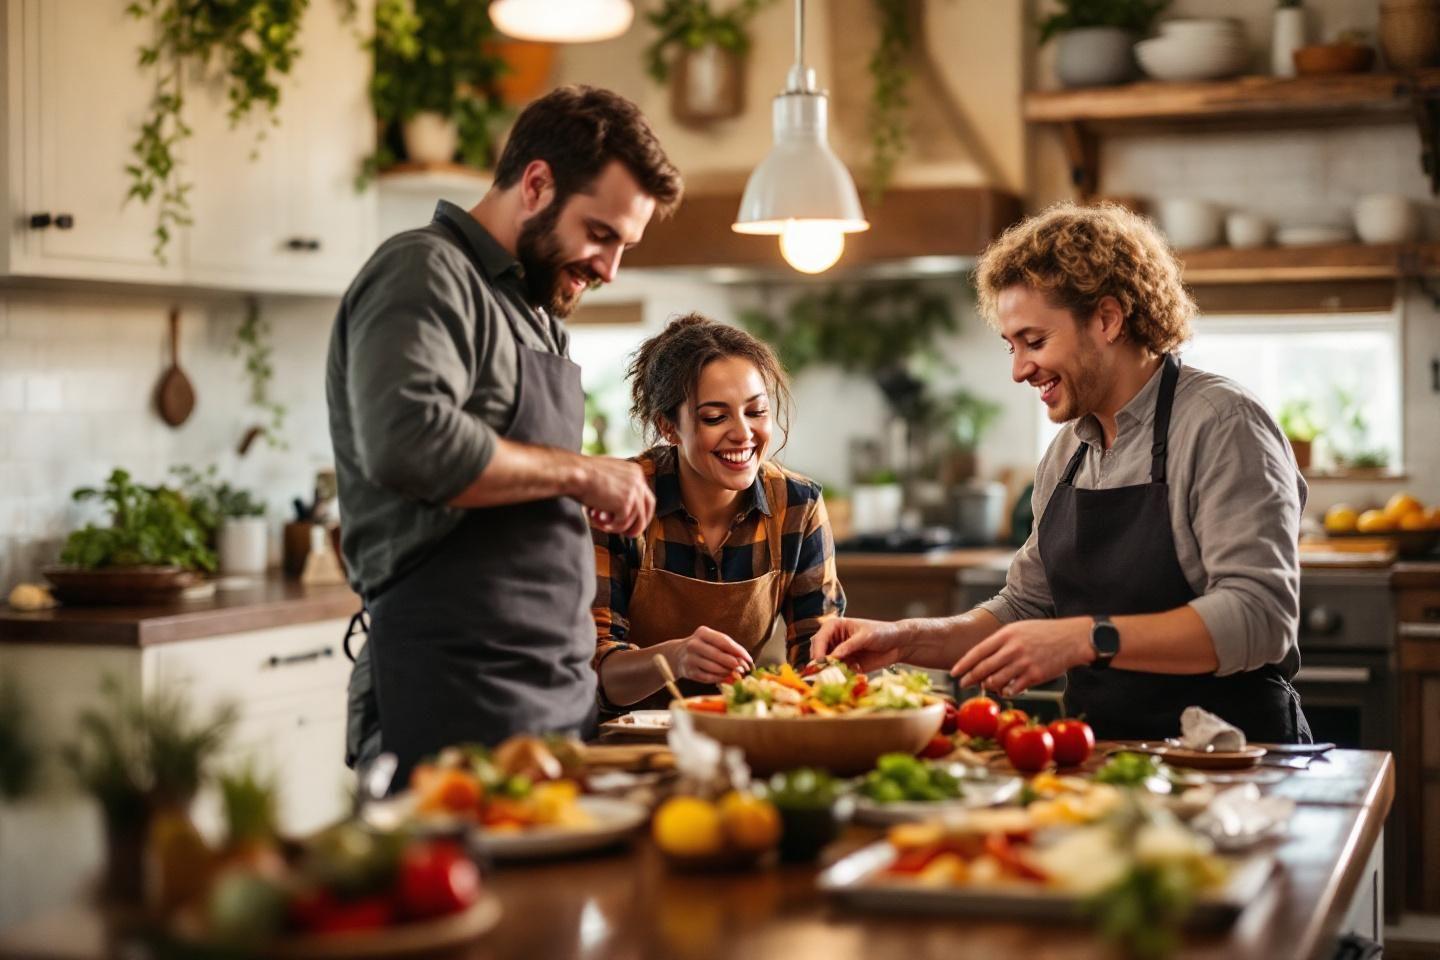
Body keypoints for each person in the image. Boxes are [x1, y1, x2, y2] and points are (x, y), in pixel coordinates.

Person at [812, 202, 1311, 743]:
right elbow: (1026, 606)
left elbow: (1260, 618)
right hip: (1112, 761)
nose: (1019, 369)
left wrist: (1087, 638)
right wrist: (904, 639)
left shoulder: (1221, 423)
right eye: (1012, 346)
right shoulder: (1067, 453)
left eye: (1035, 341)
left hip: (1236, 764)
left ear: (1107, 319)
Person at [327, 86, 683, 780]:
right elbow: (410, 441)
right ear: (537, 183)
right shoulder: (424, 271)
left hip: (551, 686)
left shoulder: (534, 310)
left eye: (625, 246)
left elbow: (511, 467)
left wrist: (579, 483)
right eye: (601, 233)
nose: (609, 268)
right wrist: (580, 474)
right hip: (451, 685)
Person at [591, 315, 846, 711]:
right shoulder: (619, 502)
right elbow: (594, 672)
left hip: (743, 730)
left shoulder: (797, 505)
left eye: (756, 412)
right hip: (623, 737)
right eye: (715, 417)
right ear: (669, 427)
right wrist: (674, 659)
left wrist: (819, 683)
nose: (743, 433)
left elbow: (820, 652)